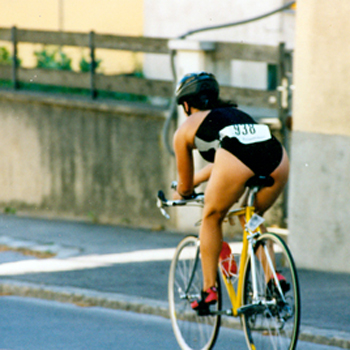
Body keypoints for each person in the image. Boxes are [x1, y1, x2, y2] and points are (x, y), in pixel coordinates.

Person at [172, 72, 289, 315]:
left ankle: (208, 290)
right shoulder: (235, 116)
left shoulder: (185, 129)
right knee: (251, 214)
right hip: (277, 157)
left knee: (212, 216)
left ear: (185, 104)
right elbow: (228, 159)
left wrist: (182, 191)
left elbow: (185, 188)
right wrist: (196, 179)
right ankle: (272, 277)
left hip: (236, 160)